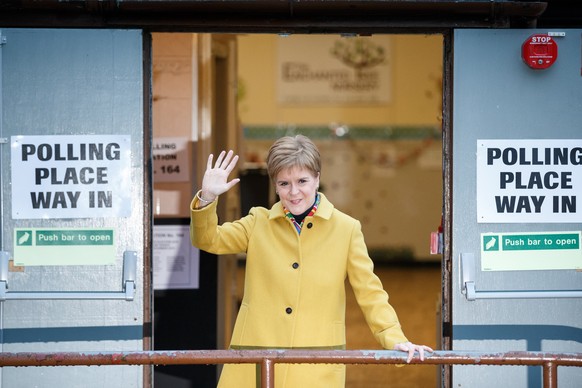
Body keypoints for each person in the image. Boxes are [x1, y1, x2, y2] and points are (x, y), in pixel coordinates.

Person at [190, 135, 433, 388]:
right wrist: (207, 197)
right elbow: (208, 239)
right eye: (284, 183)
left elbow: (371, 293)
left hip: (316, 363)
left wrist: (394, 338)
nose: (294, 192)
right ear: (275, 185)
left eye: (302, 181)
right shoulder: (257, 222)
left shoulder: (346, 229)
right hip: (255, 360)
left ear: (317, 178)